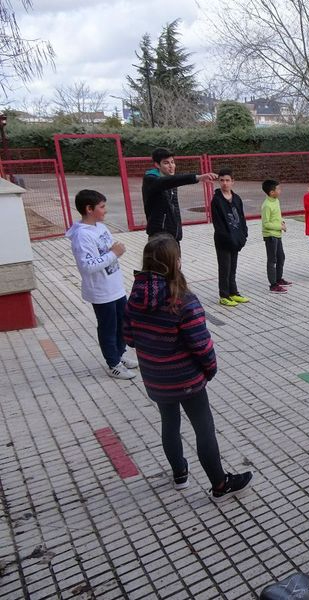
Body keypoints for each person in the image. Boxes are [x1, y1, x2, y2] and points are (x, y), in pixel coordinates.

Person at [123, 234, 253, 502]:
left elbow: (129, 338)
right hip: (186, 379)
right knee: (203, 428)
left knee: (169, 422)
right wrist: (210, 369)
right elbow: (201, 345)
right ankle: (220, 484)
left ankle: (180, 473)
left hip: (155, 378)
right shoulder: (183, 300)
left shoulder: (134, 298)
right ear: (177, 263)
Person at [66, 190, 138, 380]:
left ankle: (119, 354)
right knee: (108, 327)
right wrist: (114, 253)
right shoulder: (82, 236)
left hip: (116, 287)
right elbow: (87, 266)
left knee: (122, 323)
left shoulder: (101, 227)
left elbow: (109, 249)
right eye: (102, 207)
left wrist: (113, 252)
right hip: (101, 291)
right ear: (89, 209)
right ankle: (113, 363)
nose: (105, 210)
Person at [142, 147, 217, 242]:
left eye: (172, 162)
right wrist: (197, 177)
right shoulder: (151, 180)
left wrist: (178, 234)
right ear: (157, 165)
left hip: (174, 235)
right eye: (166, 163)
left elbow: (174, 208)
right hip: (159, 236)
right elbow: (165, 182)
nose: (171, 166)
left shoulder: (171, 181)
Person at [210, 168, 249, 307]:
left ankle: (233, 292)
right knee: (224, 268)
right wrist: (228, 239)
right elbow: (218, 224)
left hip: (236, 239)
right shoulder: (216, 200)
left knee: (233, 267)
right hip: (223, 241)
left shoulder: (237, 198)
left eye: (227, 180)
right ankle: (224, 295)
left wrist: (243, 235)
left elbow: (242, 218)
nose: (225, 183)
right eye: (222, 180)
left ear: (233, 181)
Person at [262, 179, 291, 294]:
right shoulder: (266, 205)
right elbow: (266, 224)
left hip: (277, 235)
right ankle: (273, 285)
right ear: (271, 192)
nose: (280, 190)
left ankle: (279, 279)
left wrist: (282, 222)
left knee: (281, 257)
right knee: (272, 260)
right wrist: (280, 227)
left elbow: (277, 215)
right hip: (270, 237)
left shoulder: (276, 201)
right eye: (278, 189)